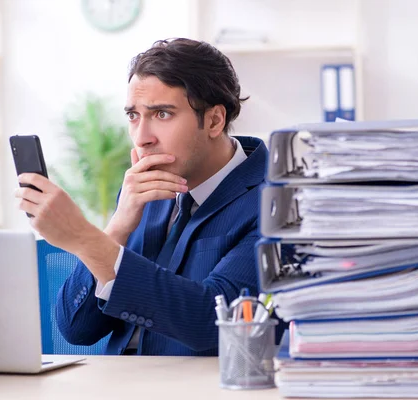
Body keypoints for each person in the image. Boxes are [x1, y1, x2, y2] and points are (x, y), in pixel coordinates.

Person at [15, 38, 269, 356]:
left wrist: (85, 238)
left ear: (215, 120)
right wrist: (118, 227)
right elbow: (76, 329)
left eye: (161, 114)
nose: (141, 137)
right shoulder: (140, 191)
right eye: (133, 116)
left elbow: (216, 323)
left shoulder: (275, 204)